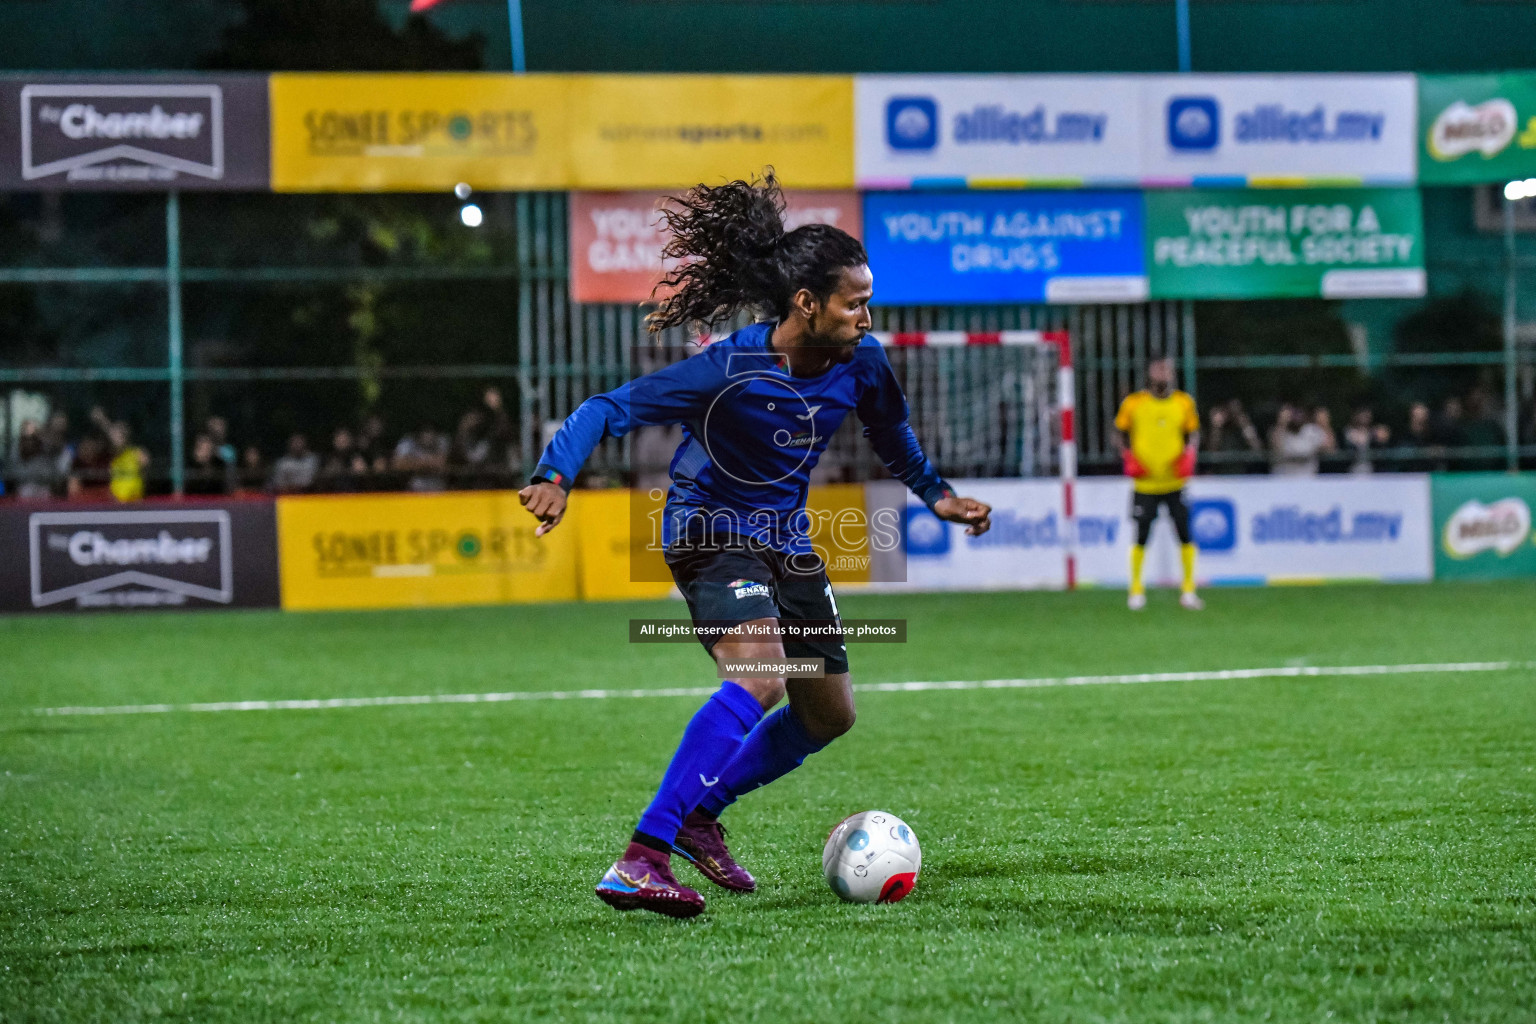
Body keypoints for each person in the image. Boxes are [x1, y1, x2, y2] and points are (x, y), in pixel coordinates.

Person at [518, 171, 991, 919]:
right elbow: (607, 408)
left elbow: (888, 429)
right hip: (708, 530)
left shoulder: (861, 361)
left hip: (786, 539)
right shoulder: (728, 367)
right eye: (855, 300)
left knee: (829, 714)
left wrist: (937, 495)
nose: (868, 314)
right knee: (762, 672)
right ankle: (643, 855)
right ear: (807, 304)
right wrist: (555, 473)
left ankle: (703, 811)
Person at [1114, 358, 1202, 611]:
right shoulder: (1134, 403)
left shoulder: (1183, 402)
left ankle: (1188, 590)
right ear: (1149, 372)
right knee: (1141, 536)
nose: (1164, 373)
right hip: (1145, 483)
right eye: (1159, 368)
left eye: (1168, 369)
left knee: (1185, 534)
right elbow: (1118, 432)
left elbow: (1193, 433)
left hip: (1176, 481)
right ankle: (1136, 590)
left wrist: (1190, 455)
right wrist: (1127, 456)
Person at [1270, 403, 1333, 476]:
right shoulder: (1279, 431)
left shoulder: (1312, 430)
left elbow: (1330, 449)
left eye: (1299, 414)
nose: (1296, 417)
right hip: (1283, 478)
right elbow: (1275, 446)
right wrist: (1281, 423)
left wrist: (1324, 424)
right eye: (1293, 414)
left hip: (1308, 476)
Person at [392, 424, 450, 492]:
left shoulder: (442, 440)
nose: (428, 436)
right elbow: (398, 464)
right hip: (413, 483)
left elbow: (441, 463)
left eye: (431, 432)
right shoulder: (408, 442)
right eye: (424, 432)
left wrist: (414, 462)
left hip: (437, 484)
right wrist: (425, 464)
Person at [107, 422, 148, 502]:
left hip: (135, 500)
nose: (116, 440)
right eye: (114, 437)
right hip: (117, 501)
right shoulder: (111, 455)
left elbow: (146, 474)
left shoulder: (137, 453)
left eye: (120, 436)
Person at [1343, 407, 1391, 474]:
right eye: (1362, 414)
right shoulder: (1348, 432)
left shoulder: (1374, 432)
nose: (1364, 417)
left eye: (1366, 415)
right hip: (1352, 468)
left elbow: (1384, 440)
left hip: (1371, 469)